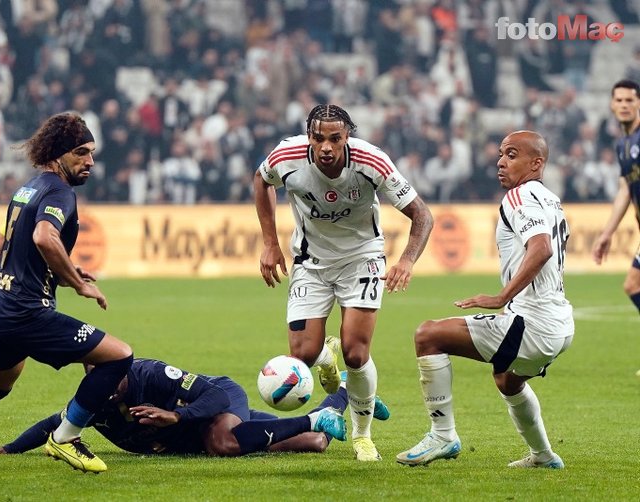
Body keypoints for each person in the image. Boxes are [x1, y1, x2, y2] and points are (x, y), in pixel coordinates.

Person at [0, 113, 134, 473]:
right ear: (58, 153)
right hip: (26, 311)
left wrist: (64, 268)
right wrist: (79, 283)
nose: (90, 162)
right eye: (81, 153)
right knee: (118, 357)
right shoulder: (60, 191)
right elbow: (43, 237)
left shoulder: (27, 188)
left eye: (92, 153)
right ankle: (66, 437)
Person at [254, 104, 434, 461]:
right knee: (301, 354)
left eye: (334, 139)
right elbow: (261, 180)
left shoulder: (372, 162)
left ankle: (362, 435)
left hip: (361, 260)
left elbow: (422, 214)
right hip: (311, 262)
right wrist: (271, 243)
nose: (325, 147)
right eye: (318, 138)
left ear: (346, 137)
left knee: (356, 352)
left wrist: (407, 260)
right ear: (309, 137)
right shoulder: (286, 156)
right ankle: (325, 359)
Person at [396, 130, 573, 469]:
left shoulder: (519, 197)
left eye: (511, 155)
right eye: (501, 154)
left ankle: (442, 435)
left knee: (428, 335)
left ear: (536, 163)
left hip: (531, 323)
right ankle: (544, 456)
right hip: (559, 324)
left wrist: (501, 297)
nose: (500, 162)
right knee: (508, 380)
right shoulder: (551, 199)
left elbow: (541, 248)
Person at [0, 358, 393, 458]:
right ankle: (348, 399)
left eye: (108, 375)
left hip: (215, 403)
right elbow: (55, 424)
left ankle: (319, 414)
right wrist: (8, 450)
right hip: (191, 434)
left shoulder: (152, 375)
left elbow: (218, 398)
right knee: (314, 444)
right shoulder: (98, 402)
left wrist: (176, 415)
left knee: (222, 440)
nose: (104, 384)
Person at [591, 79, 640, 376]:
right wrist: (607, 233)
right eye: (619, 100)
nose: (624, 105)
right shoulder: (622, 144)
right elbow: (626, 189)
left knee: (633, 284)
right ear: (611, 104)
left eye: (630, 100)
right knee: (633, 285)